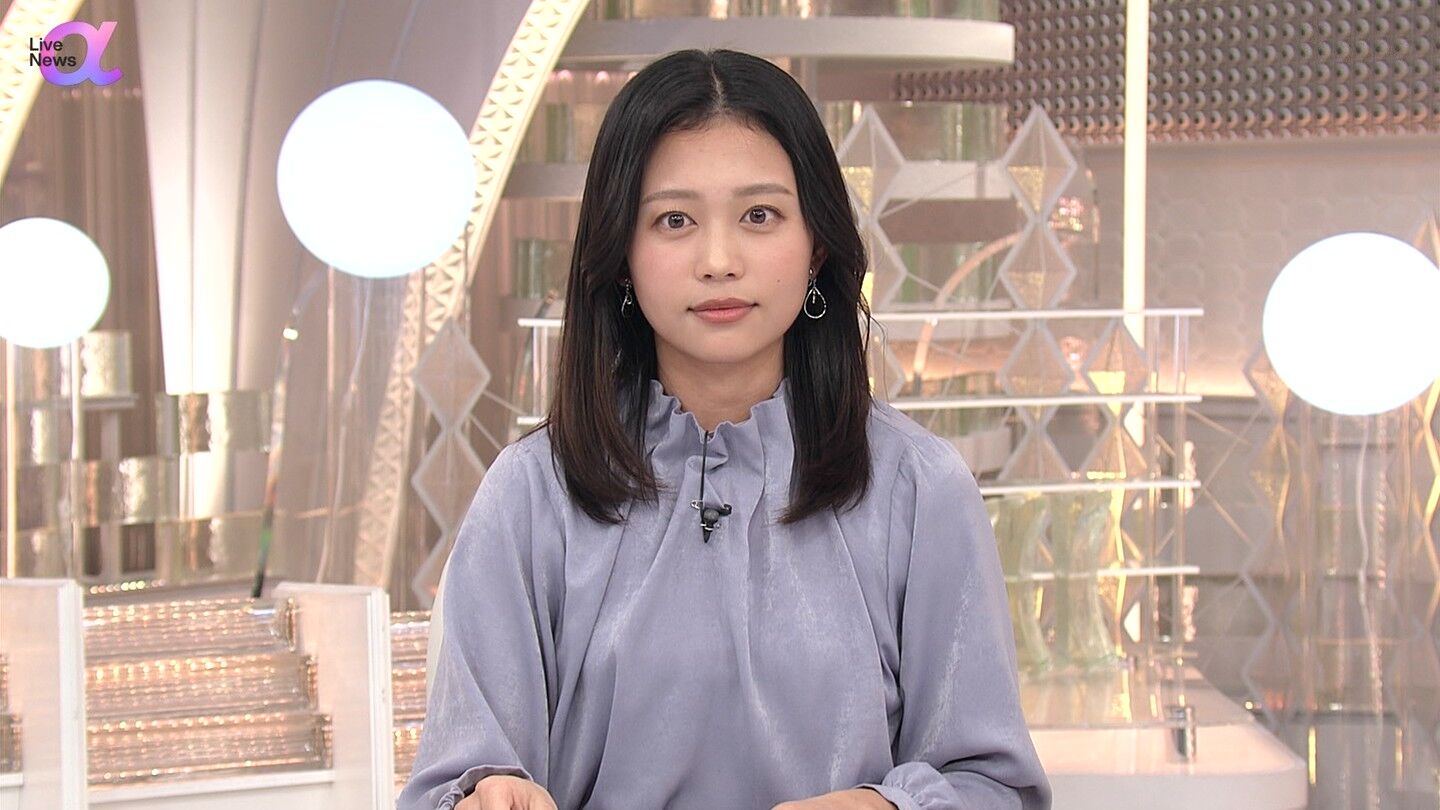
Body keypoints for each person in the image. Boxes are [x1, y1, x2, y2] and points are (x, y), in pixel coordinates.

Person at [397, 48, 1051, 810]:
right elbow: (451, 781)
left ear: (817, 246)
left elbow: (995, 787)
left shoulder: (920, 490)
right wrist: (486, 794)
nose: (718, 260)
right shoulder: (531, 495)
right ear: (621, 256)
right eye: (674, 220)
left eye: (759, 216)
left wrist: (888, 806)